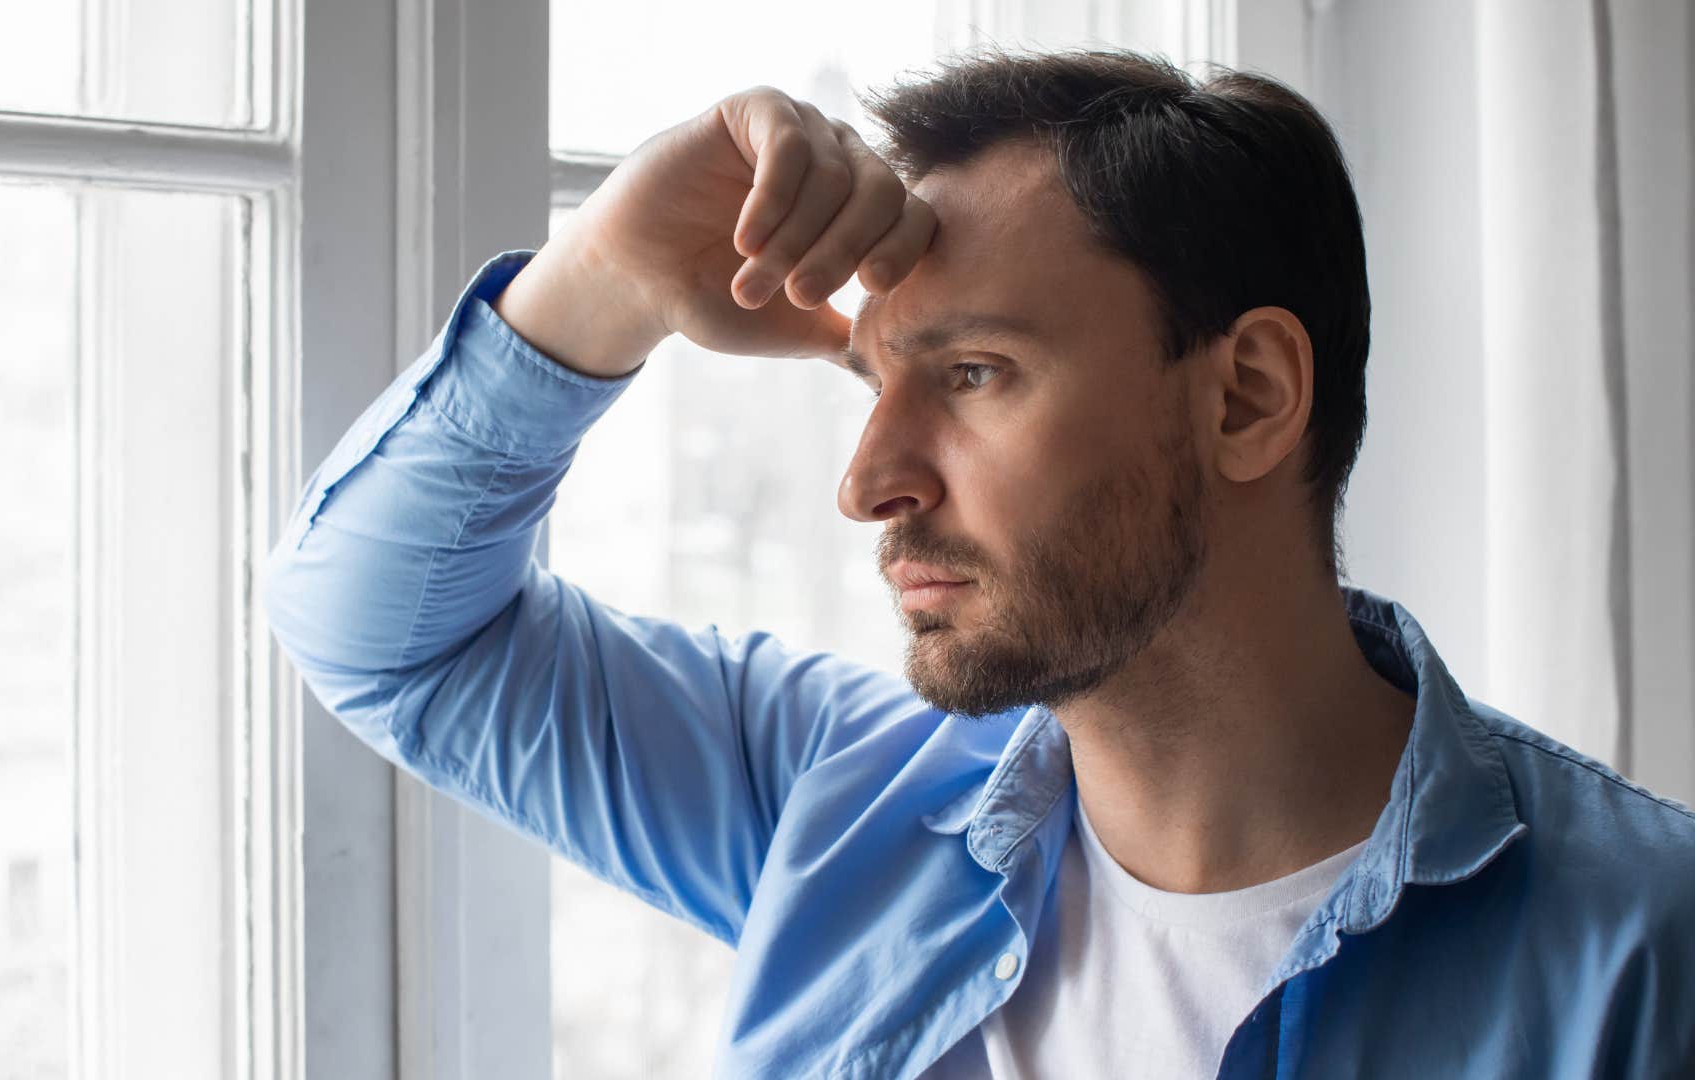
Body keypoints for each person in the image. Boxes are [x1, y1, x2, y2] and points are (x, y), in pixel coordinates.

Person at [261, 49, 1695, 1079]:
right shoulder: (841, 805)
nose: (870, 480)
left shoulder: (1644, 952)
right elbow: (383, 632)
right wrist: (604, 283)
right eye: (874, 383)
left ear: (1247, 396)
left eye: (975, 373)